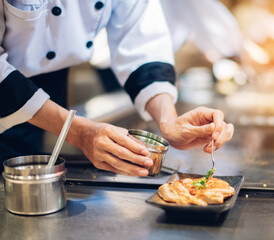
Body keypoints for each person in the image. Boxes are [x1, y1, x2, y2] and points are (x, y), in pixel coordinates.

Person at [0, 0, 234, 176]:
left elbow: (141, 41)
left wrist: (168, 121)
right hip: (7, 88)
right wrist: (78, 132)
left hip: (49, 91)